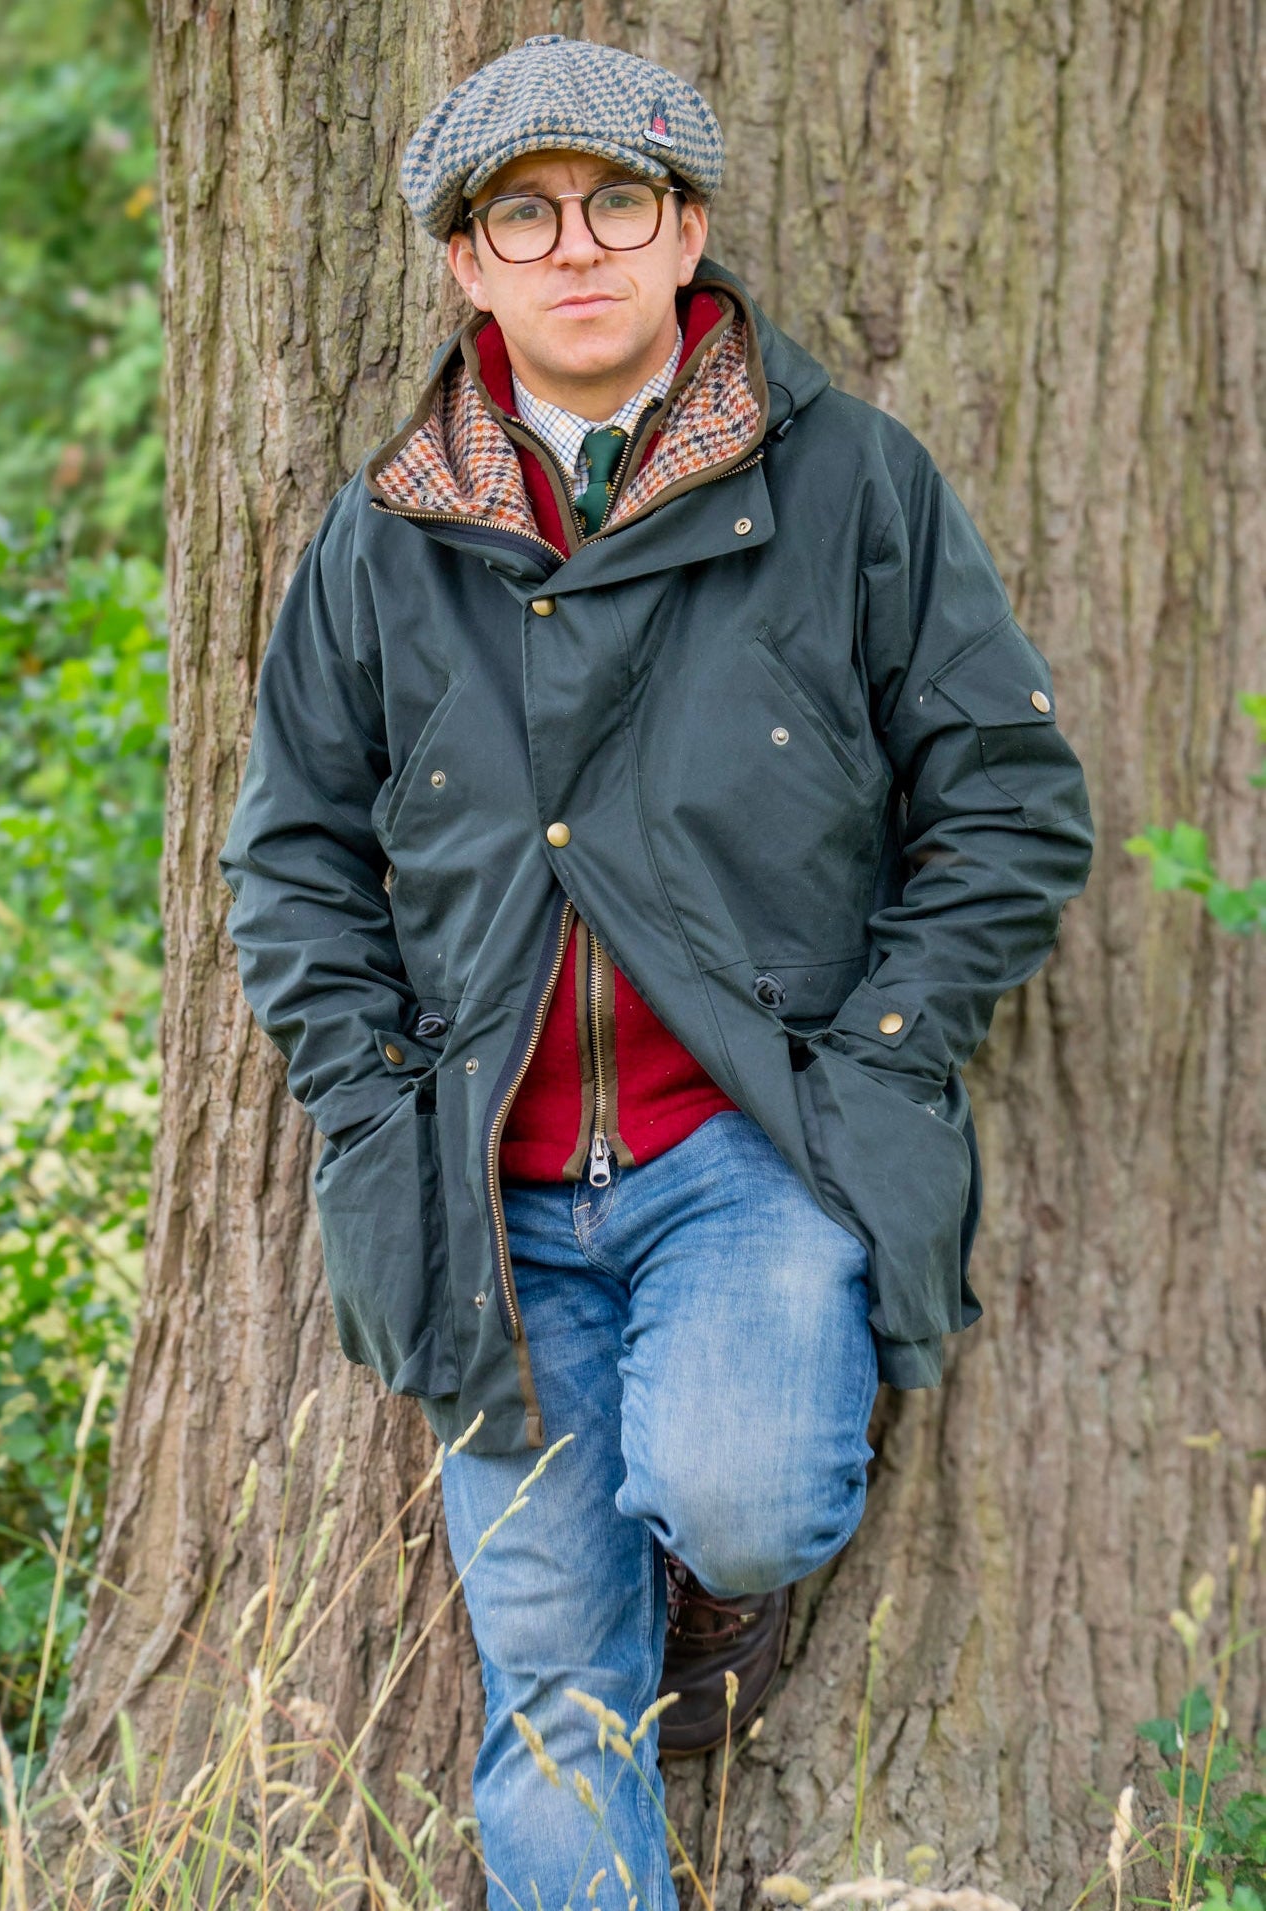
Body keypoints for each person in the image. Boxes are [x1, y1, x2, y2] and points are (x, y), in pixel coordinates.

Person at [219, 33, 1093, 1907]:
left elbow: (1009, 804)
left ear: (685, 225)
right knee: (549, 1679)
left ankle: (703, 1581)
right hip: (480, 1193)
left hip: (749, 1156)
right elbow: (288, 855)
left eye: (617, 201)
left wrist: (878, 1050)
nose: (574, 248)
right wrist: (370, 1095)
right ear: (464, 264)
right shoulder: (381, 542)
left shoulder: (848, 478)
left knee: (752, 1506)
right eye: (519, 218)